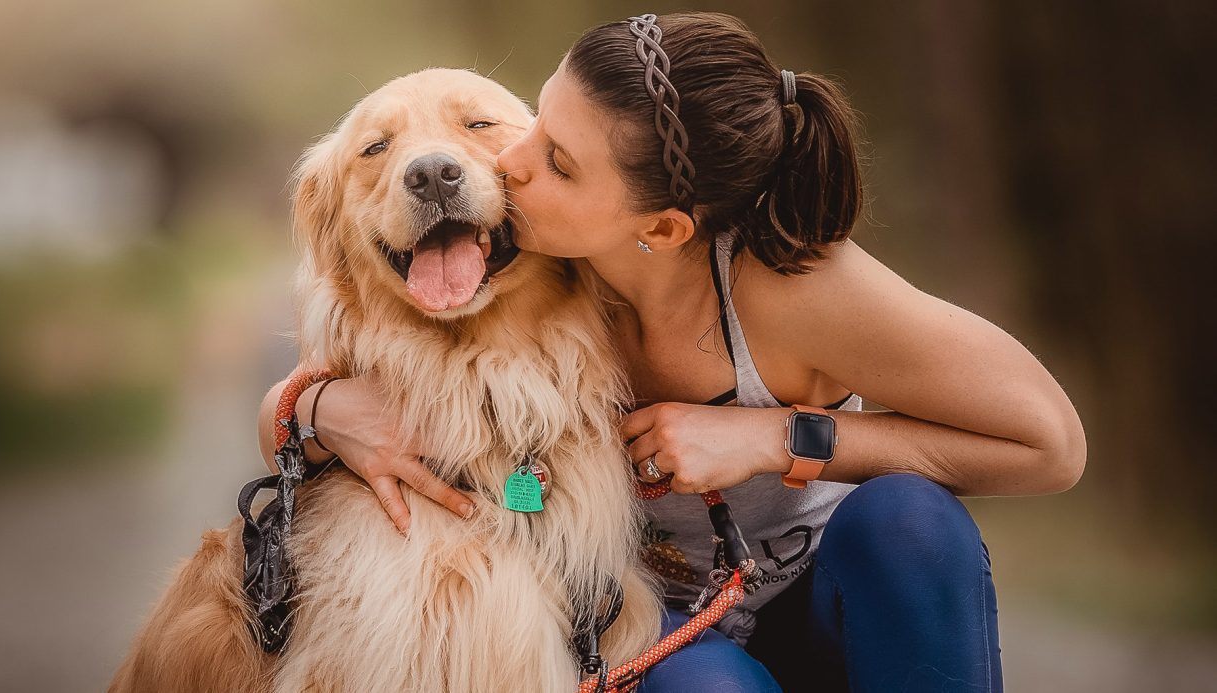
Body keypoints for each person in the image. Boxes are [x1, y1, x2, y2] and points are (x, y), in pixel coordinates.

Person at [258, 11, 1085, 692]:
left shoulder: (793, 285)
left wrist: (775, 437)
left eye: (557, 162)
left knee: (910, 519)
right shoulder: (529, 284)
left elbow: (1049, 444)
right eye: (537, 123)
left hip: (827, 603)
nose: (508, 163)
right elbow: (305, 406)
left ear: (661, 228)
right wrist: (320, 409)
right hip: (660, 635)